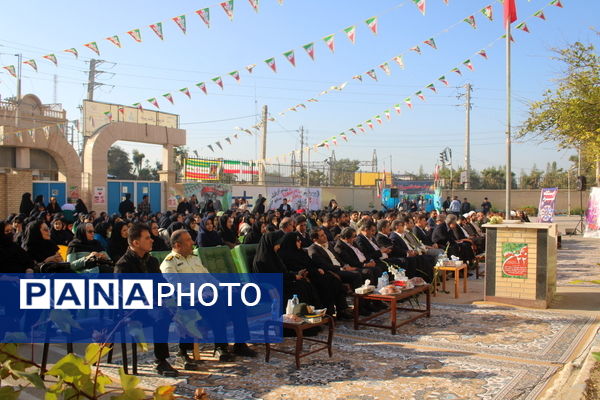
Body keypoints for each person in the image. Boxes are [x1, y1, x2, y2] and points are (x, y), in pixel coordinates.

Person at [160, 229, 256, 364]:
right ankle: (220, 347)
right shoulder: (169, 263)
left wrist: (224, 287)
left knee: (236, 297)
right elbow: (178, 288)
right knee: (217, 302)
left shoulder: (194, 258)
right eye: (188, 240)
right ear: (177, 245)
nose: (192, 242)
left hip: (208, 295)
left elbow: (208, 277)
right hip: (191, 300)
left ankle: (240, 344)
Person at [114, 223, 178, 377]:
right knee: (162, 314)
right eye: (147, 238)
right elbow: (128, 295)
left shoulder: (152, 261)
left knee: (181, 305)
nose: (152, 240)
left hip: (154, 305)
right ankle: (161, 360)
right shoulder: (123, 266)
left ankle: (185, 352)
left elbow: (162, 285)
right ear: (136, 242)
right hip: (133, 310)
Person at [283, 231, 352, 320]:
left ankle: (342, 309)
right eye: (297, 241)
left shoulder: (301, 252)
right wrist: (302, 272)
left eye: (300, 240)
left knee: (334, 280)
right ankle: (328, 313)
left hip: (314, 273)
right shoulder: (286, 255)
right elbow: (292, 270)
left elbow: (311, 263)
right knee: (325, 284)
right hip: (306, 276)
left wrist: (318, 268)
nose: (300, 242)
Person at [252, 230, 321, 310]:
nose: (279, 246)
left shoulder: (274, 256)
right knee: (300, 288)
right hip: (272, 288)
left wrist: (297, 274)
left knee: (305, 284)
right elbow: (271, 278)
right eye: (277, 244)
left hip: (283, 283)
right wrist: (293, 277)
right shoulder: (261, 261)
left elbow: (283, 272)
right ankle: (302, 314)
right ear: (271, 244)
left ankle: (313, 312)